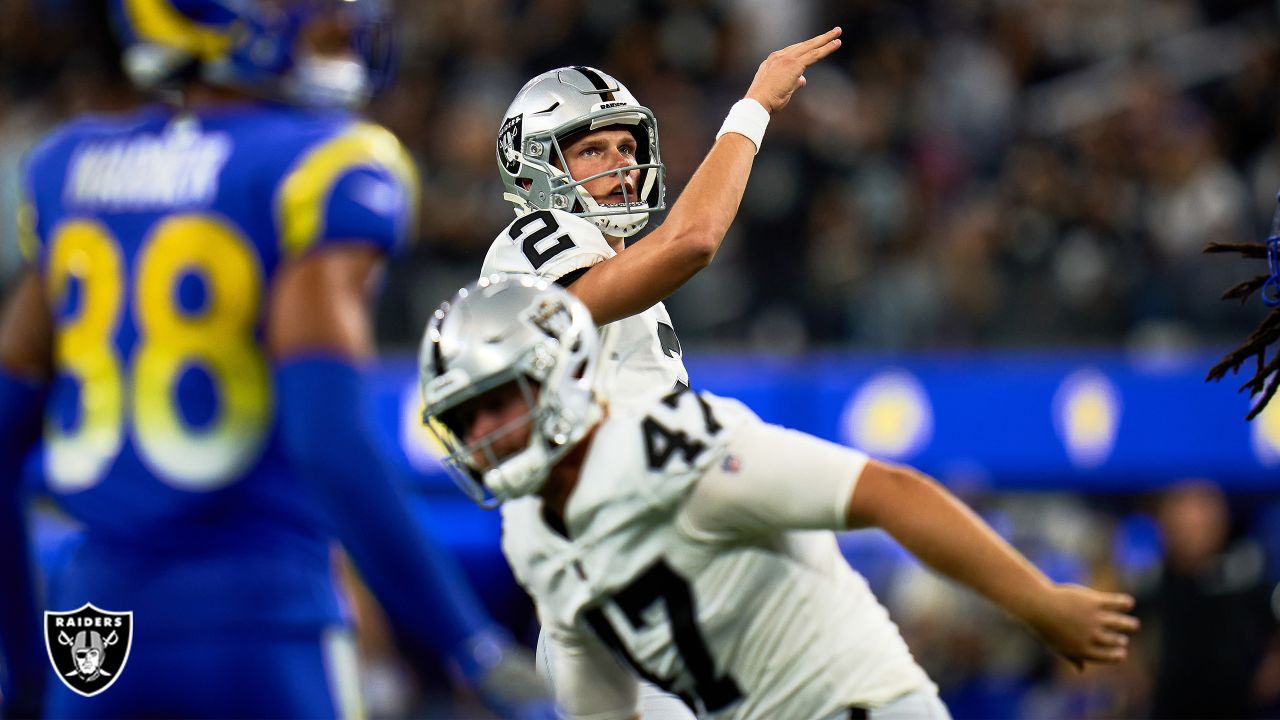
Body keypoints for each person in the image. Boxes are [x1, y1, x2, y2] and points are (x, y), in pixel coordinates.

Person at [0, 1, 551, 717]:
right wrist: (471, 647)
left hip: (95, 635)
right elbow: (328, 443)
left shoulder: (70, 168)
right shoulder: (320, 161)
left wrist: (22, 661)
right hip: (261, 621)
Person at [418, 274, 1142, 720]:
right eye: (465, 419)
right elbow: (604, 705)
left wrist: (1040, 601)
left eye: (496, 404)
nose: (483, 435)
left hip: (857, 705)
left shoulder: (672, 444)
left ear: (559, 377)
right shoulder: (532, 536)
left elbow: (889, 492)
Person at [479, 30, 841, 718]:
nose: (620, 162)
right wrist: (753, 109)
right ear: (533, 169)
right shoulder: (532, 243)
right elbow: (694, 239)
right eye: (591, 148)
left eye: (627, 147)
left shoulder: (610, 266)